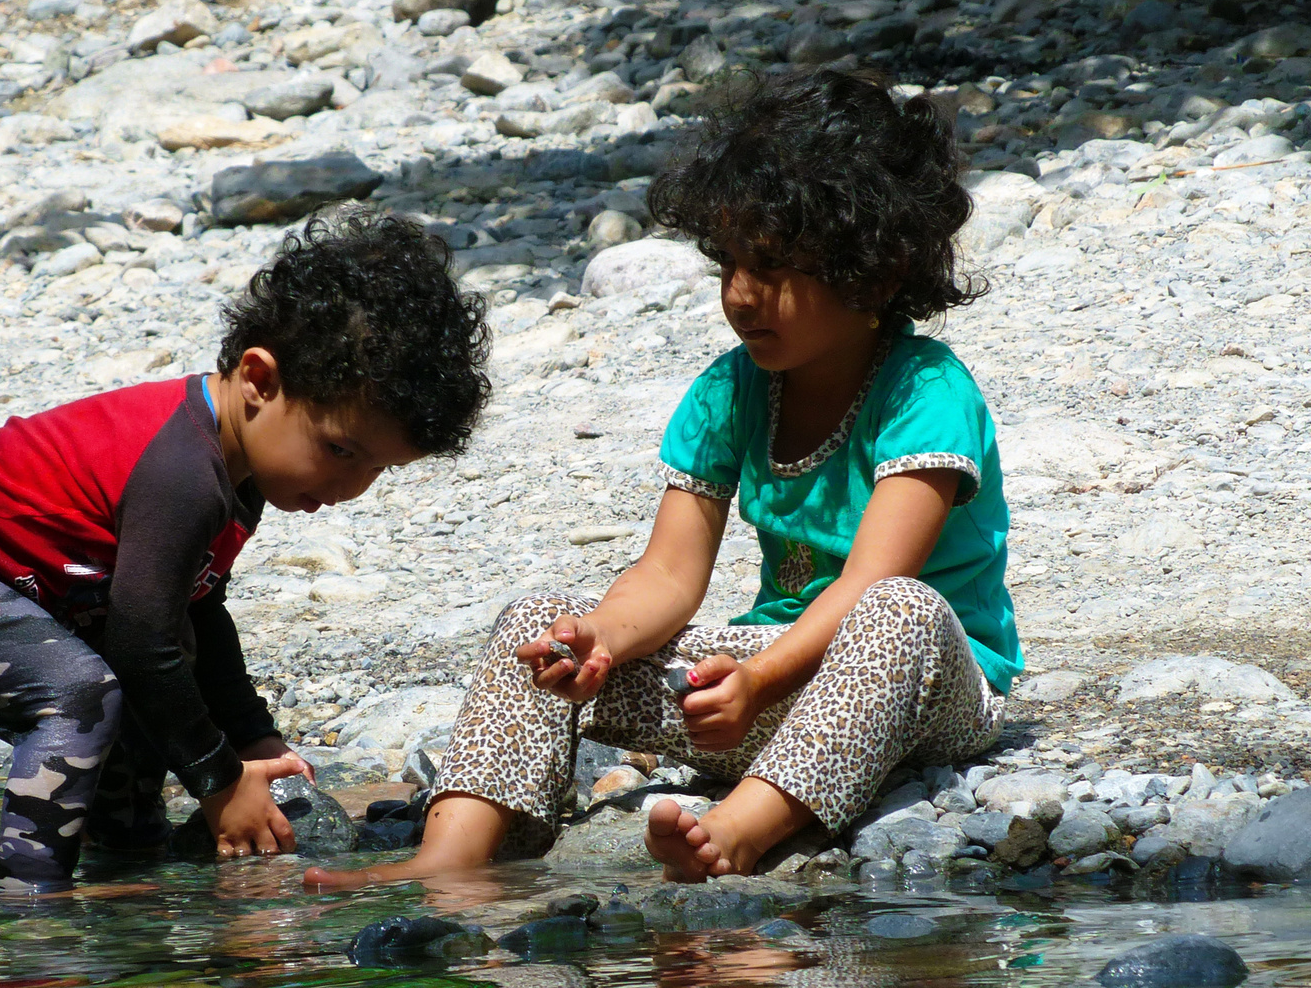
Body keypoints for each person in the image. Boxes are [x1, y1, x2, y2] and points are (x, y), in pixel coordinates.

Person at [305, 68, 1020, 887]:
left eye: (776, 266)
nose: (743, 295)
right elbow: (670, 574)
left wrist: (759, 679)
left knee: (901, 611)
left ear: (875, 271)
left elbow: (869, 582)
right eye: (730, 264)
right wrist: (597, 644)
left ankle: (742, 829)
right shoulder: (731, 388)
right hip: (763, 686)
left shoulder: (928, 392)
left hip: (923, 688)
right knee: (538, 623)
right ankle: (450, 863)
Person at [0, 210, 492, 895]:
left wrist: (251, 737)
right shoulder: (182, 472)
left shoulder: (239, 468)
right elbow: (142, 639)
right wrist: (220, 780)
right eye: (341, 451)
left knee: (145, 700)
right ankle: (30, 913)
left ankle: (131, 877)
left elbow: (196, 612)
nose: (350, 487)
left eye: (378, 469)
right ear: (259, 380)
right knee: (82, 692)